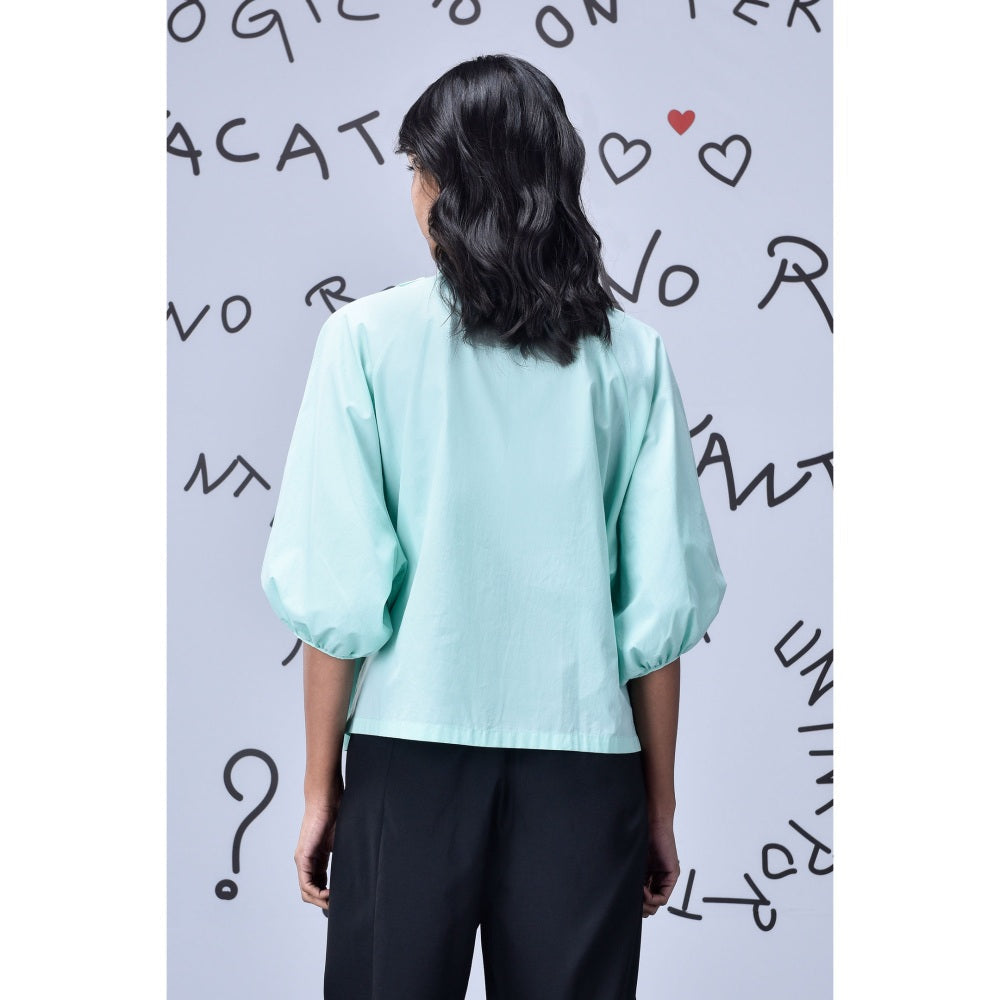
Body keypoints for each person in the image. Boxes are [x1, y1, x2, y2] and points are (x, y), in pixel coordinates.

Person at [260, 53, 727, 1000]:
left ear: (449, 184)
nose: (413, 192)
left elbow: (339, 596)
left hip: (410, 757)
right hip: (586, 762)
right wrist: (659, 805)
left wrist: (318, 789)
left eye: (417, 169)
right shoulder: (633, 358)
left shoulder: (364, 341)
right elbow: (657, 613)